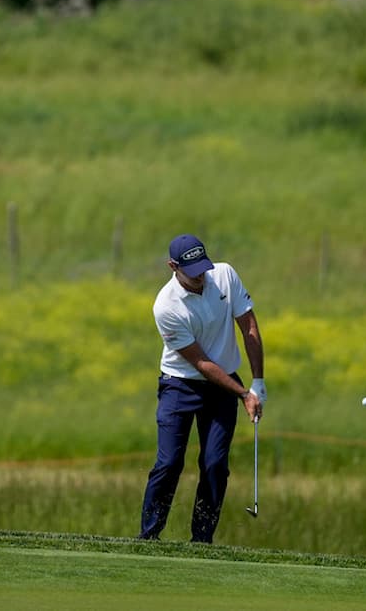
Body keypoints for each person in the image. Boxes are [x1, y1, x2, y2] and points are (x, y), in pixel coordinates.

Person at [139, 233, 266, 543]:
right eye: (192, 272)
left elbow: (248, 326)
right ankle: (149, 535)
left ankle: (202, 540)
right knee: (169, 463)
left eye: (203, 268)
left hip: (223, 387)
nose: (201, 277)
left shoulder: (224, 275)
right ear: (173, 266)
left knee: (215, 465)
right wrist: (242, 394)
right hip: (179, 385)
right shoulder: (166, 306)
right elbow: (201, 363)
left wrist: (258, 382)